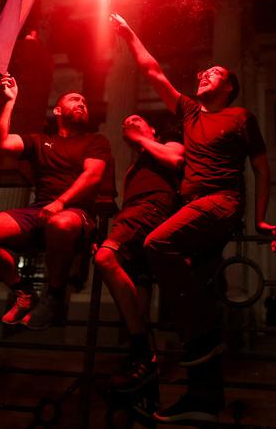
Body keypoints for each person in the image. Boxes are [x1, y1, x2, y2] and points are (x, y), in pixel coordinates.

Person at [111, 12, 270, 424]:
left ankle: (198, 338)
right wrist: (129, 33)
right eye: (204, 72)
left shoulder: (240, 117)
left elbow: (261, 166)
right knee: (199, 290)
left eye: (214, 72)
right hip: (193, 211)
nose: (204, 74)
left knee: (157, 243)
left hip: (220, 203)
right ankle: (203, 398)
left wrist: (260, 217)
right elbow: (152, 71)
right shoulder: (188, 113)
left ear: (229, 87)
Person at [0, 77, 113, 330]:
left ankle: (54, 296)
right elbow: (3, 143)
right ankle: (23, 293)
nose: (81, 103)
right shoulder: (39, 140)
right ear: (57, 111)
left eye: (84, 101)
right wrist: (10, 101)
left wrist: (60, 203)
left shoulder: (95, 141)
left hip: (76, 212)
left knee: (60, 223)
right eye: (74, 99)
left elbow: (93, 175)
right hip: (40, 210)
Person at [94, 114, 184, 393]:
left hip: (150, 210)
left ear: (153, 129)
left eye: (136, 119)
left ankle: (141, 352)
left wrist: (139, 139)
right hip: (134, 217)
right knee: (139, 292)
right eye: (125, 122)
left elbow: (176, 160)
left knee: (105, 258)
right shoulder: (137, 165)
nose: (128, 122)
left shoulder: (169, 144)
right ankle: (145, 368)